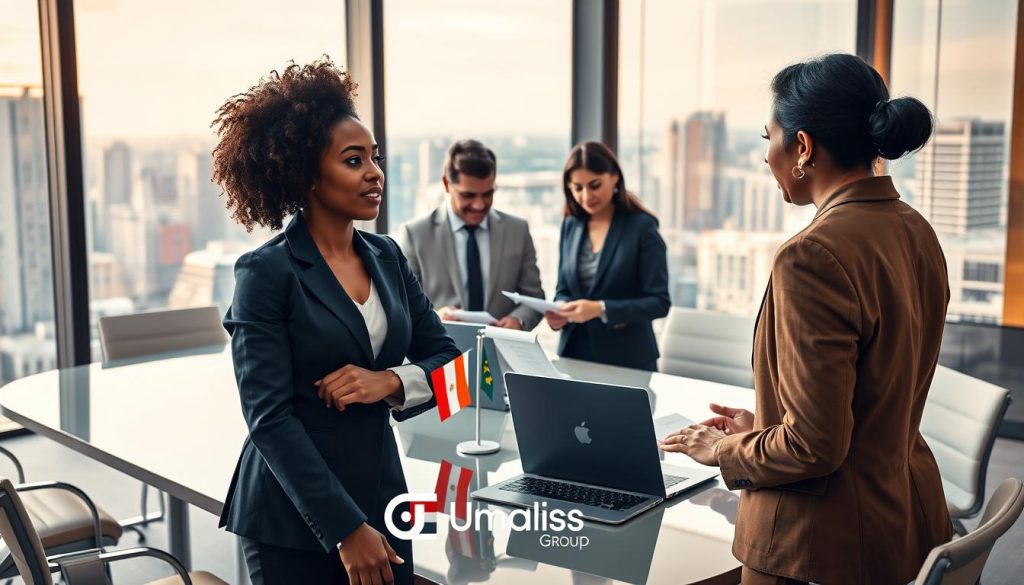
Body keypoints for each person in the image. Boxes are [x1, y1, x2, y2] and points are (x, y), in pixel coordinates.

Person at [659, 53, 952, 585]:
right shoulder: (915, 230)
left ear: (803, 148)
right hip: (907, 517)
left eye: (768, 137)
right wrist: (764, 426)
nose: (765, 156)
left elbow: (815, 446)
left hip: (820, 545)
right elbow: (867, 400)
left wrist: (722, 448)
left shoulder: (812, 256)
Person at [211, 59, 459, 585]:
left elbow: (453, 369)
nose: (375, 173)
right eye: (353, 160)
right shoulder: (266, 272)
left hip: (384, 496)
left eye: (375, 157)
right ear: (307, 176)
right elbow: (269, 420)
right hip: (292, 517)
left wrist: (389, 381)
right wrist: (346, 528)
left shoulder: (387, 256)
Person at [546, 141, 670, 371]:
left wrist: (601, 308)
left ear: (614, 177)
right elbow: (564, 287)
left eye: (595, 185)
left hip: (627, 360)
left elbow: (659, 302)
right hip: (573, 356)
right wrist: (559, 311)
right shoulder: (570, 226)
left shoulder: (642, 228)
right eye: (578, 188)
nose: (586, 195)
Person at [397, 139, 545, 330]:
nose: (479, 205)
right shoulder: (415, 235)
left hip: (498, 353)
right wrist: (434, 318)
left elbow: (534, 298)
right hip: (442, 353)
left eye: (487, 194)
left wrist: (518, 321)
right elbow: (403, 307)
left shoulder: (517, 230)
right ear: (446, 184)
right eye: (468, 195)